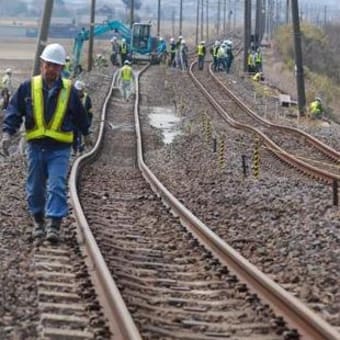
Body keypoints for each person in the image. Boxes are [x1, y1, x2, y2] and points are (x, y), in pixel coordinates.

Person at [0, 43, 92, 243]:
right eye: (48, 65)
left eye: (55, 66)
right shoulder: (28, 87)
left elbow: (80, 115)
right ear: (42, 64)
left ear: (61, 68)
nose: (51, 69)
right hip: (35, 147)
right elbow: (14, 111)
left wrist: (86, 133)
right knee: (35, 187)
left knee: (57, 185)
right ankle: (38, 221)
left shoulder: (68, 90)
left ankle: (53, 224)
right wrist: (7, 133)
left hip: (60, 149)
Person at [73, 80, 93, 155]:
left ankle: (78, 149)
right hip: (73, 120)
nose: (78, 92)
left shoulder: (86, 97)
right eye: (77, 90)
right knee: (74, 135)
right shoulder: (71, 96)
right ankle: (75, 149)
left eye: (79, 90)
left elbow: (90, 111)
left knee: (79, 134)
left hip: (82, 120)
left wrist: (89, 122)